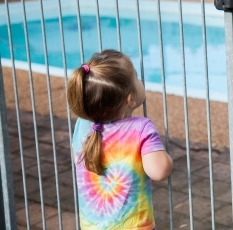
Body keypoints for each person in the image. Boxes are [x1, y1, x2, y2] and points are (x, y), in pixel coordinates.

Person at [67, 49, 173, 230]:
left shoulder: (83, 125)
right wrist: (168, 159)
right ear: (130, 98)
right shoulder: (141, 128)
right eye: (136, 78)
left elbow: (78, 158)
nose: (140, 81)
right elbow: (159, 171)